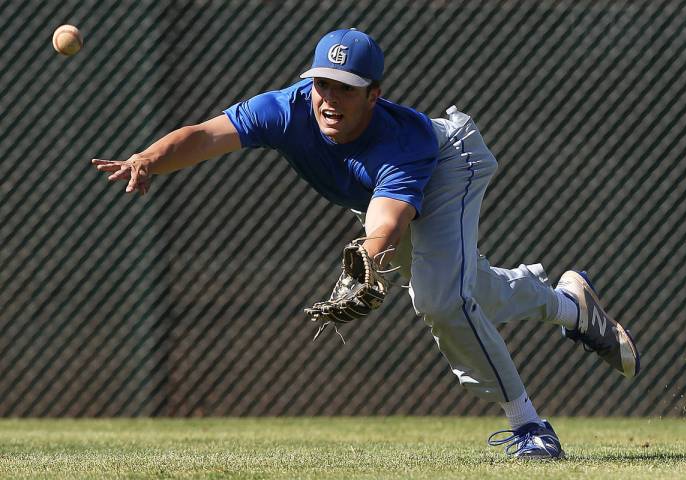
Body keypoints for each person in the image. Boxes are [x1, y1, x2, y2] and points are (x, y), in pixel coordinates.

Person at [92, 28, 640, 459]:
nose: (329, 98)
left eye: (346, 89)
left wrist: (365, 260)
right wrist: (147, 159)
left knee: (441, 300)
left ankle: (529, 425)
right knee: (471, 294)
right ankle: (570, 307)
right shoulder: (283, 109)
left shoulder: (402, 142)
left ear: (374, 95)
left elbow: (386, 220)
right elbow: (206, 135)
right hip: (380, 196)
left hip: (450, 164)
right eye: (322, 84)